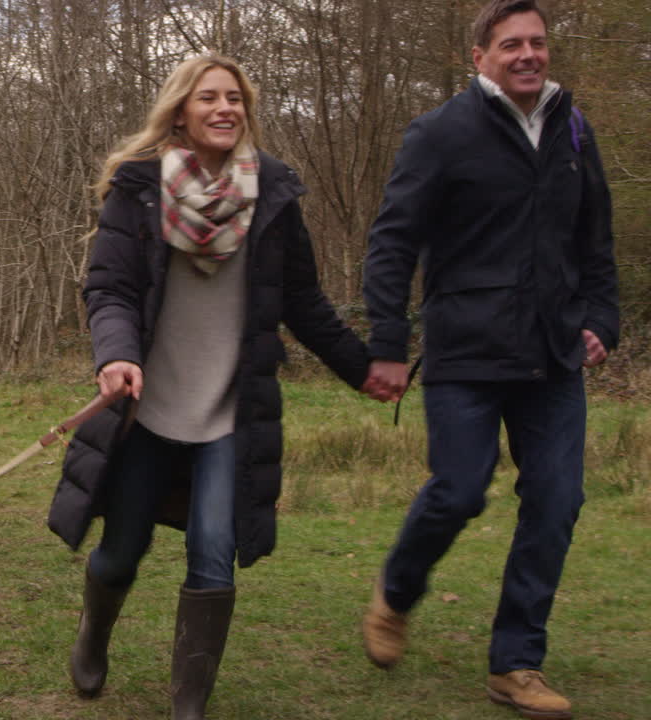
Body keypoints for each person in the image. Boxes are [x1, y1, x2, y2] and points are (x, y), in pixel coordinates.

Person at [46, 53, 393, 720]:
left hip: (230, 417)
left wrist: (364, 367)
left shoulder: (274, 196)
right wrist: (114, 357)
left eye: (234, 98)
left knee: (213, 556)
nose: (224, 108)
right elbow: (110, 289)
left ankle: (189, 706)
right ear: (182, 110)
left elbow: (305, 302)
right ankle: (93, 634)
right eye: (208, 98)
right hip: (147, 410)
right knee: (120, 553)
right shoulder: (139, 189)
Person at [359, 1, 619, 718]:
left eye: (537, 42)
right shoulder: (441, 134)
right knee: (460, 489)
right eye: (511, 44)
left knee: (558, 500)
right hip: (467, 350)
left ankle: (516, 663)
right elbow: (391, 243)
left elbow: (595, 238)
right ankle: (398, 591)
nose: (528, 54)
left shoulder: (572, 128)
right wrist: (386, 344)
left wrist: (602, 320)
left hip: (553, 356)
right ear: (480, 57)